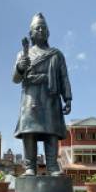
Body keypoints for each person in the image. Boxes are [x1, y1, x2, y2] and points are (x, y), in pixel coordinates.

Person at [12, 12, 72, 177]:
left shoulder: (56, 55)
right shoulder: (23, 54)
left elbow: (64, 77)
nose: (41, 30)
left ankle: (52, 166)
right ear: (30, 33)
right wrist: (20, 67)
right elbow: (15, 79)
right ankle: (30, 166)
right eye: (37, 28)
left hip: (50, 96)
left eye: (43, 28)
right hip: (30, 96)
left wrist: (67, 98)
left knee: (51, 131)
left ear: (48, 32)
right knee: (29, 131)